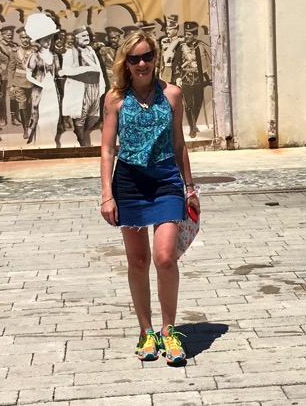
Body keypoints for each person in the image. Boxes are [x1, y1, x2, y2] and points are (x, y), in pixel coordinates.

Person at [100, 30, 199, 365]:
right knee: (138, 261)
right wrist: (106, 195)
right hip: (128, 182)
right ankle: (146, 332)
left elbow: (179, 144)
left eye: (147, 56)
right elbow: (106, 148)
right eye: (134, 58)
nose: (141, 63)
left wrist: (190, 188)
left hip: (166, 180)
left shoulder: (172, 94)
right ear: (125, 63)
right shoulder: (114, 98)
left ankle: (169, 331)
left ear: (156, 58)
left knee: (165, 257)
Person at [60, 25, 105, 147]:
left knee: (94, 117)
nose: (87, 38)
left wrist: (102, 85)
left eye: (87, 36)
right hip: (80, 87)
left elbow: (99, 69)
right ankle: (83, 145)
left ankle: (81, 133)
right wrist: (86, 69)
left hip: (94, 87)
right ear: (76, 38)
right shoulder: (70, 52)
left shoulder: (91, 51)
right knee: (80, 117)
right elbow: (66, 70)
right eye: (83, 36)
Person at [23, 13, 61, 145]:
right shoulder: (34, 56)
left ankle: (52, 141)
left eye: (50, 38)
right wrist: (41, 84)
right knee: (40, 117)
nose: (48, 42)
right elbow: (28, 75)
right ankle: (41, 143)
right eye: (45, 39)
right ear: (38, 41)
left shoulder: (55, 56)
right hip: (40, 92)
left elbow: (59, 72)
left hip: (52, 92)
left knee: (54, 116)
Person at [170, 21, 212, 138]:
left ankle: (193, 123)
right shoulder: (181, 47)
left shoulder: (201, 47)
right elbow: (176, 63)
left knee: (197, 104)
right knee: (189, 104)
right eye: (185, 34)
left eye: (189, 35)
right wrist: (177, 77)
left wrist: (207, 78)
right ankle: (193, 127)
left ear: (194, 36)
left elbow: (205, 64)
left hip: (198, 79)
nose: (186, 37)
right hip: (186, 79)